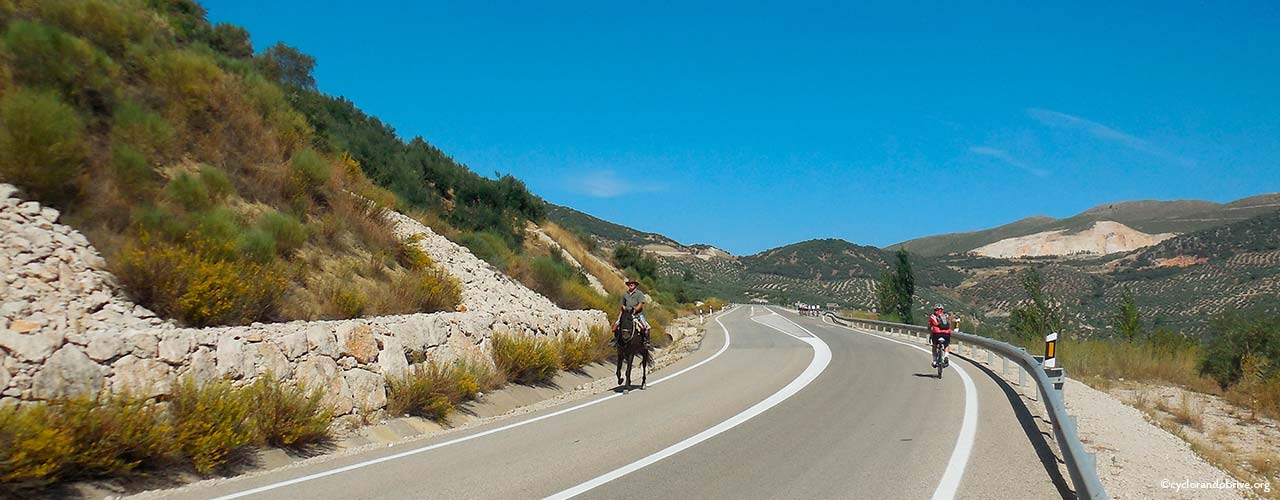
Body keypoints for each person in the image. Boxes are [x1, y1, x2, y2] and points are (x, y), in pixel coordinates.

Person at [614, 280, 651, 345]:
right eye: (630, 284)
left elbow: (641, 303)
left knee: (646, 327)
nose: (631, 285)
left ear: (635, 285)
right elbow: (623, 304)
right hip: (626, 314)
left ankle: (646, 341)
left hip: (637, 314)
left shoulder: (639, 293)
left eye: (632, 284)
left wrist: (635, 309)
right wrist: (623, 309)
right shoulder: (625, 294)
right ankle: (616, 340)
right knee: (615, 327)